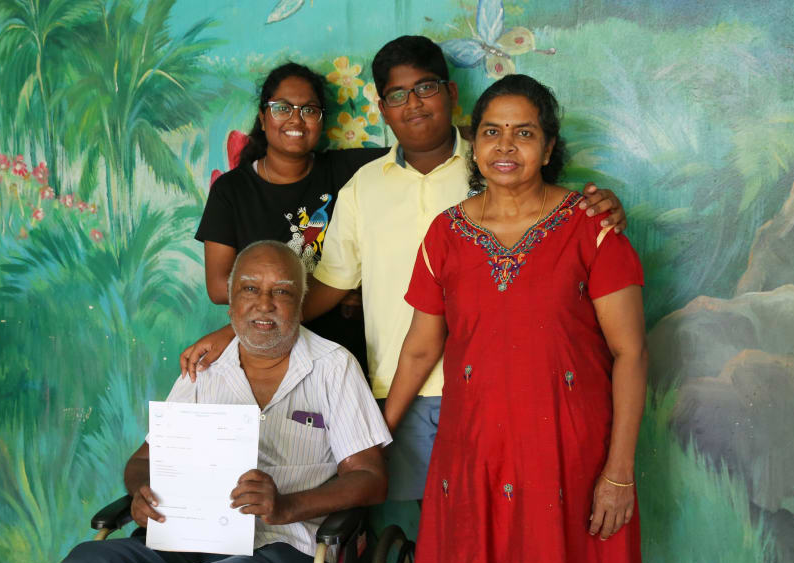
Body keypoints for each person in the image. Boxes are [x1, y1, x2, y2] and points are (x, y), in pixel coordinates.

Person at [181, 36, 629, 504]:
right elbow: (328, 286)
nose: (413, 104)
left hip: (495, 390)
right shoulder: (363, 184)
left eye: (426, 88)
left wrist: (601, 206)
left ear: (451, 93)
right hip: (398, 389)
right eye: (397, 95)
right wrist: (236, 334)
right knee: (415, 536)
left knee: (506, 527)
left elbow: (552, 216)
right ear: (382, 108)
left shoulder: (496, 165)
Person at [385, 74, 646, 563]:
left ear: (549, 148)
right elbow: (420, 349)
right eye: (491, 131)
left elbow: (631, 354)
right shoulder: (446, 235)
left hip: (569, 458)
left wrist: (619, 472)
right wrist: (377, 435)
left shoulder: (592, 228)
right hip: (472, 456)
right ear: (474, 144)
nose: (505, 146)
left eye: (524, 133)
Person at [55, 241, 391, 563]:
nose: (264, 304)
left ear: (300, 306)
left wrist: (287, 505)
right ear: (230, 305)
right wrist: (141, 492)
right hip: (186, 536)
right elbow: (144, 459)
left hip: (281, 545)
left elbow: (371, 478)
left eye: (281, 292)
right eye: (250, 289)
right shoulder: (203, 369)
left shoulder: (334, 368)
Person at [195, 62, 387, 370]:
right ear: (263, 118)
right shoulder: (232, 190)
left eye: (309, 110)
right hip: (266, 350)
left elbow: (418, 154)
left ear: (321, 120)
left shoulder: (347, 170)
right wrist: (336, 288)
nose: (296, 119)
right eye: (282, 108)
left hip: (343, 354)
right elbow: (219, 287)